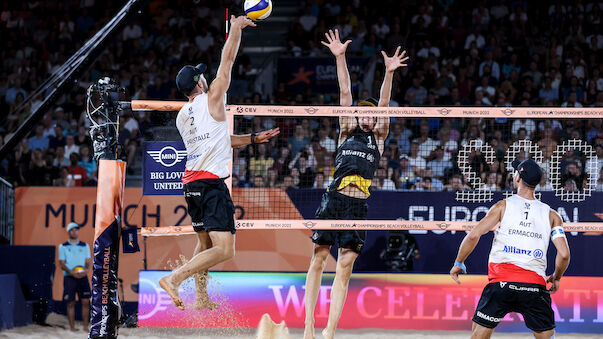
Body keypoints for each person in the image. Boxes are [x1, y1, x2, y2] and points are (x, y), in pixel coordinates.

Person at [159, 15, 279, 311]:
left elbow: (219, 141)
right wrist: (236, 29)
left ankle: (200, 297)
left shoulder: (182, 115)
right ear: (200, 82)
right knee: (225, 249)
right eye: (202, 75)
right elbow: (227, 62)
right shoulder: (212, 98)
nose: (206, 76)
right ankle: (174, 278)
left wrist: (252, 139)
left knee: (205, 245)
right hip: (211, 184)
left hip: (190, 184)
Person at [303, 29, 408, 339]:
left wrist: (388, 73)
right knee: (319, 257)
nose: (367, 116)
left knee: (345, 265)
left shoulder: (378, 137)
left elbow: (386, 103)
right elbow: (345, 92)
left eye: (371, 114)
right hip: (333, 199)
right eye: (363, 112)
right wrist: (341, 57)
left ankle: (329, 331)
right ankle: (308, 326)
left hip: (357, 204)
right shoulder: (346, 130)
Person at [450, 159, 570, 339]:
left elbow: (473, 235)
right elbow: (564, 254)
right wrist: (557, 277)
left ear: (518, 177)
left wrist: (459, 262)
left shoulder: (502, 206)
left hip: (501, 284)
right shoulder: (552, 214)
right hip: (534, 286)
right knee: (546, 336)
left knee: (478, 333)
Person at [58, 222, 91, 332]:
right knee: (70, 302)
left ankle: (85, 326)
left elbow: (87, 261)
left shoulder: (85, 245)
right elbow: (62, 264)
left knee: (86, 301)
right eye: (72, 230)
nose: (74, 231)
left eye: (76, 229)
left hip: (82, 276)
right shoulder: (63, 246)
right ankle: (72, 328)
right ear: (68, 232)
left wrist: (86, 270)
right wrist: (72, 273)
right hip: (69, 277)